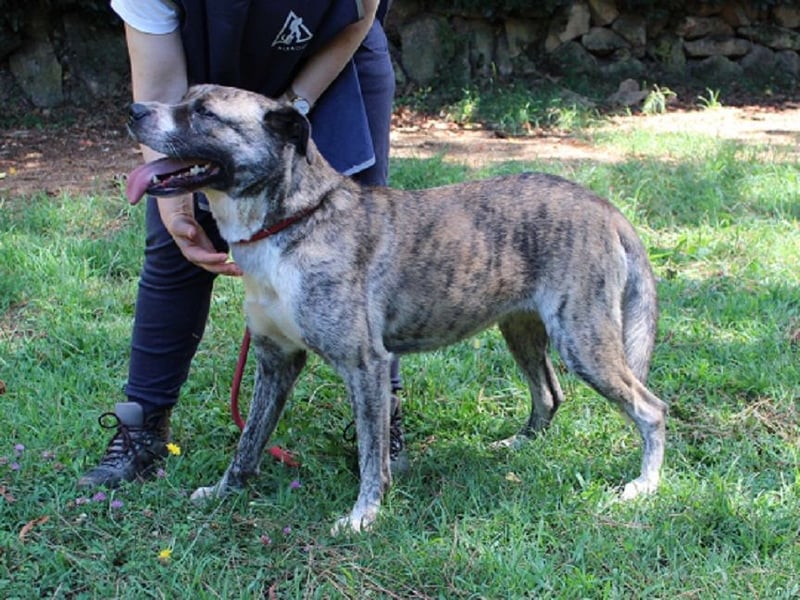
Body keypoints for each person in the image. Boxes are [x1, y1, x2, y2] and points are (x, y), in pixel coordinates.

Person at [78, 0, 408, 489]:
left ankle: (384, 416)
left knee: (361, 242)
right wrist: (175, 204)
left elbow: (361, 12)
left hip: (332, 60)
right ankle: (144, 426)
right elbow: (158, 87)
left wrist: (291, 106)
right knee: (174, 247)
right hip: (205, 79)